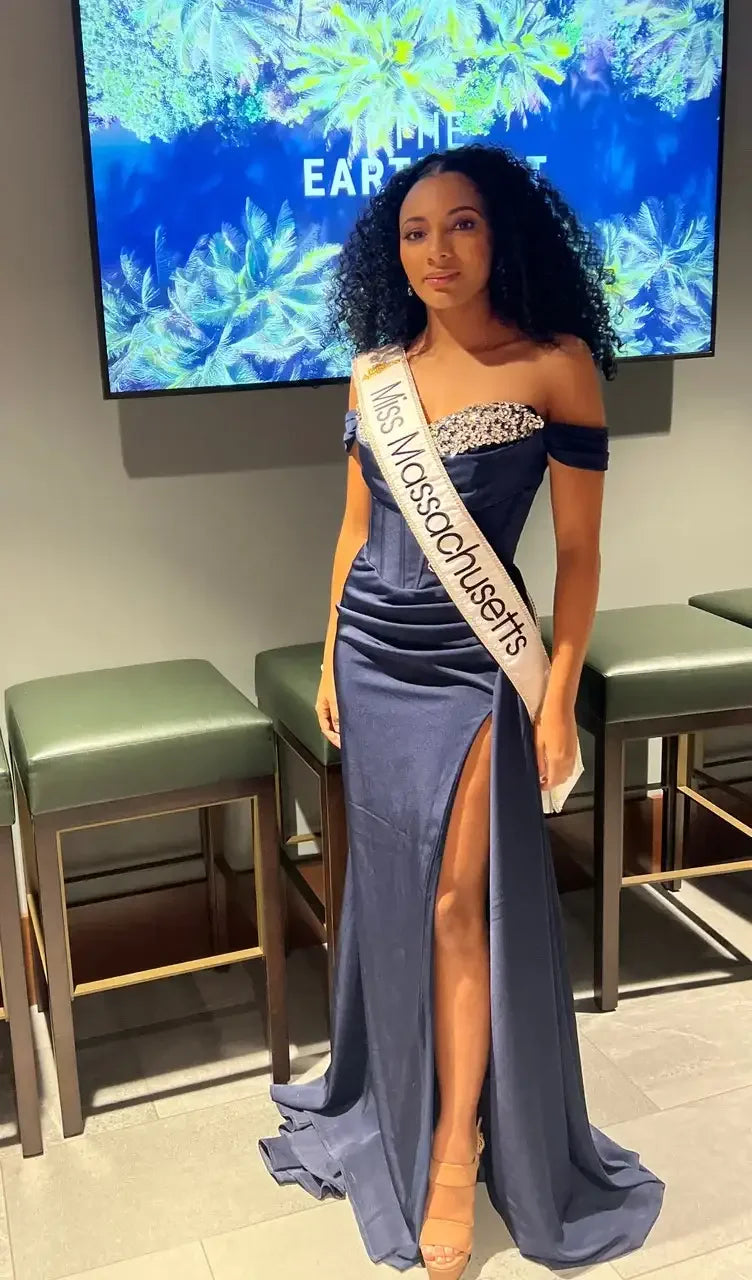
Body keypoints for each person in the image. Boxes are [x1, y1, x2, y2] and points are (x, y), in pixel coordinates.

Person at [260, 144, 664, 1277]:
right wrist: (333, 658)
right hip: (376, 660)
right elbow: (352, 530)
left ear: (505, 235)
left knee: (453, 898)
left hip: (479, 668)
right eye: (414, 231)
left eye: (462, 225)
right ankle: (399, 1083)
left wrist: (560, 695)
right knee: (394, 886)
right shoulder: (372, 373)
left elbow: (578, 554)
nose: (436, 251)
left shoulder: (556, 365)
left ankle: (453, 1147)